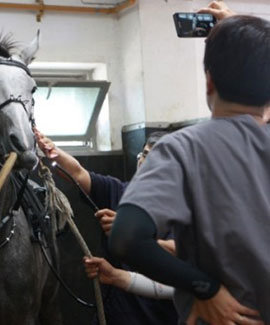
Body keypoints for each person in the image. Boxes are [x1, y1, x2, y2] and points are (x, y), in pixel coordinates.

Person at [109, 2, 270, 324]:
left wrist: (205, 288)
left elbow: (126, 238)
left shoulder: (183, 149)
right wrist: (244, 32)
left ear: (209, 81)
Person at [36, 128, 177, 324]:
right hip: (115, 314)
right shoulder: (118, 191)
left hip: (157, 316)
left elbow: (182, 252)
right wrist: (53, 151)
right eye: (144, 154)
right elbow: (77, 173)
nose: (144, 162)